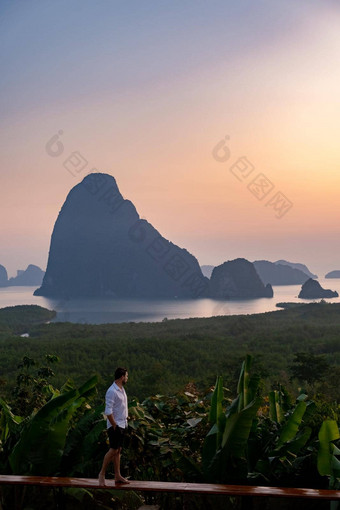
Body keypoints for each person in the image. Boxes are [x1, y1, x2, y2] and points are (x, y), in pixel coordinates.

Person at [98, 367, 130, 485]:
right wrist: (114, 425)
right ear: (122, 377)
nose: (127, 378)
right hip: (115, 425)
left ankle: (117, 475)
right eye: (126, 376)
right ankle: (102, 474)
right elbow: (108, 411)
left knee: (118, 450)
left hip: (122, 423)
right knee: (113, 450)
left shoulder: (121, 389)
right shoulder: (112, 391)